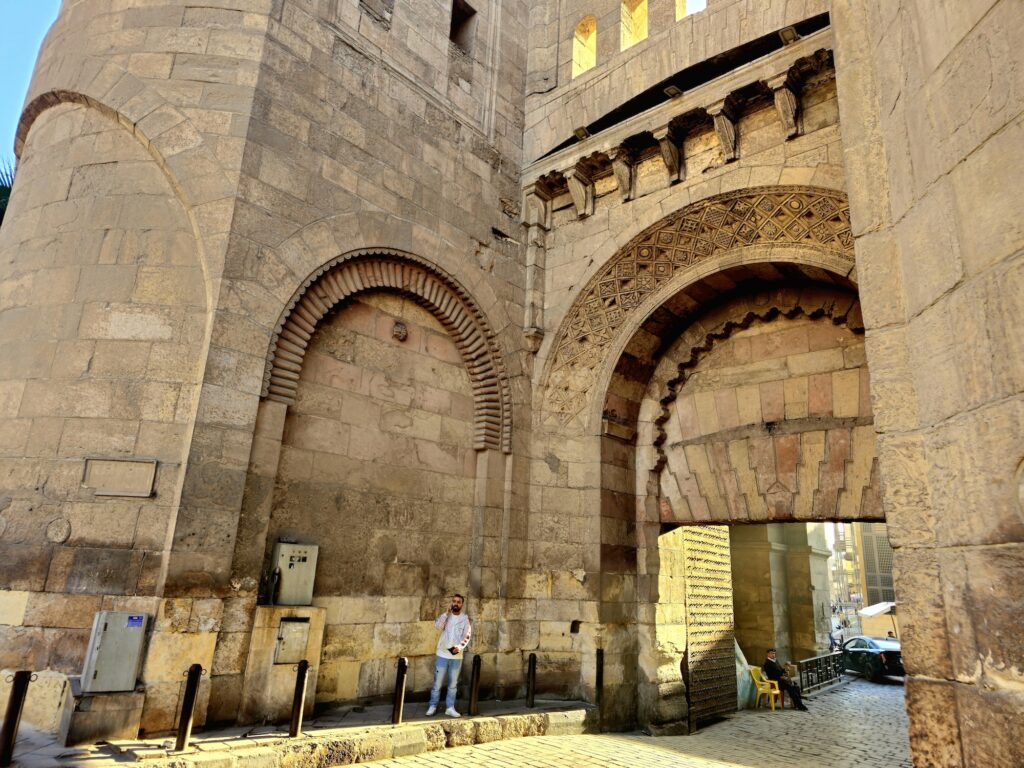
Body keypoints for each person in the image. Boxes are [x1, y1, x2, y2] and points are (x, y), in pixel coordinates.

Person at [426, 593, 472, 717]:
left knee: (453, 684)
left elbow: (467, 636)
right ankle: (433, 705)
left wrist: (459, 647)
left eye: (458, 602)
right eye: (454, 601)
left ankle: (450, 707)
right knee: (437, 683)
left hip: (456, 656)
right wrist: (445, 614)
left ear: (462, 604)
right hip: (442, 654)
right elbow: (438, 626)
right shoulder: (446, 617)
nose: (456, 603)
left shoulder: (465, 619)